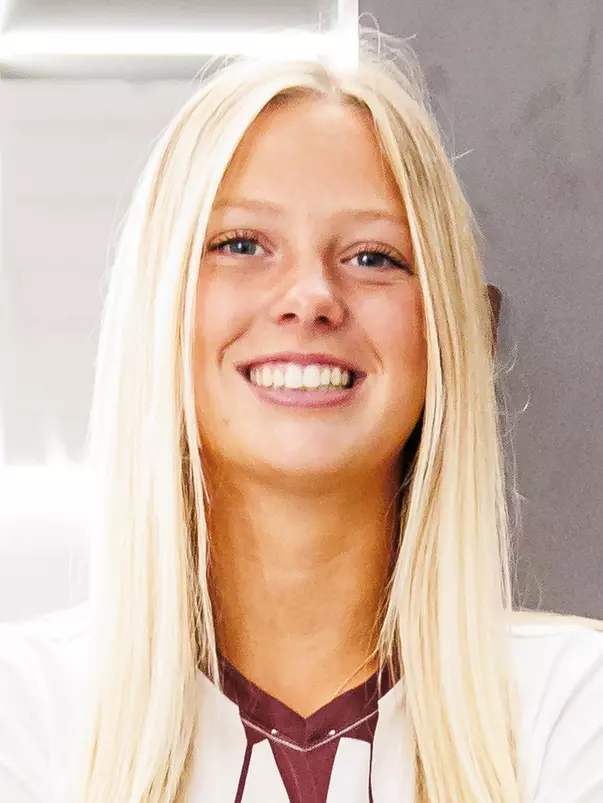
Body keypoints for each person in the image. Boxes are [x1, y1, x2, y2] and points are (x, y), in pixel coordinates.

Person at [1, 30, 603, 803]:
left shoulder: (574, 710)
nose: (311, 296)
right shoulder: (22, 712)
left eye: (373, 256)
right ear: (159, 314)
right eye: (242, 243)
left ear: (443, 331)